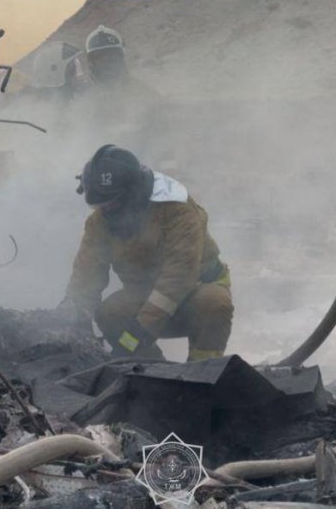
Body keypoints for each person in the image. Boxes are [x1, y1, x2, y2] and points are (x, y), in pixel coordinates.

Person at [59, 145, 233, 362]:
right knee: (110, 314)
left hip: (194, 295)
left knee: (214, 303)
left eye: (112, 203)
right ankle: (154, 374)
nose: (106, 210)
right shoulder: (100, 221)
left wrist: (138, 333)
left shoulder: (176, 208)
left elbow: (178, 278)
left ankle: (203, 376)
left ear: (134, 193)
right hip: (147, 296)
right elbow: (87, 274)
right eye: (100, 206)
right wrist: (72, 313)